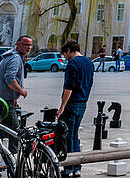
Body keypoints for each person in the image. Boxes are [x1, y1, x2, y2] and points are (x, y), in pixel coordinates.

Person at [55, 40, 93, 176]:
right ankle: (77, 166)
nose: (65, 57)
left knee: (67, 136)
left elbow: (69, 87)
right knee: (75, 135)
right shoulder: (89, 62)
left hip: (72, 103)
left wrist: (62, 107)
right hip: (83, 102)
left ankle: (69, 167)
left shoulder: (73, 63)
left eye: (65, 54)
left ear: (70, 50)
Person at [0, 35, 33, 148]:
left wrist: (14, 97)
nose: (28, 47)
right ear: (18, 44)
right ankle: (11, 163)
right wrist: (21, 91)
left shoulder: (11, 56)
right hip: (3, 101)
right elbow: (9, 79)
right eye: (26, 45)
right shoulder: (15, 58)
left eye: (30, 45)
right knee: (14, 133)